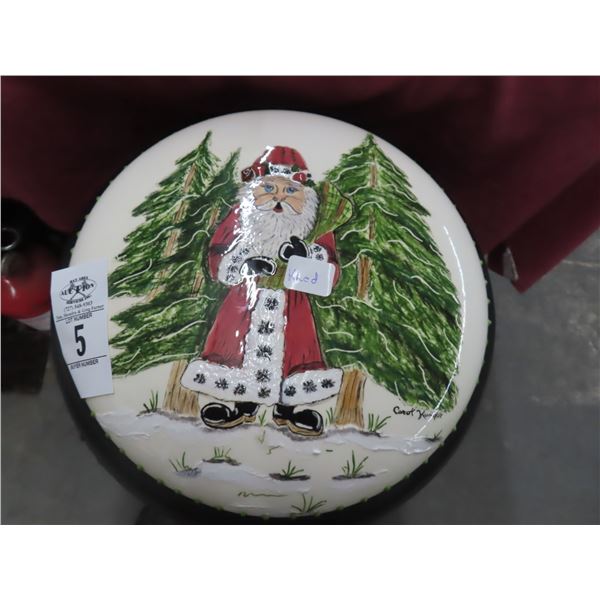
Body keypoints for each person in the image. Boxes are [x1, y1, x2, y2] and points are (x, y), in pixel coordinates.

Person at [181, 146, 341, 436]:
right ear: (253, 190)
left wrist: (306, 256)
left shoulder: (315, 224)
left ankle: (288, 410)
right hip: (244, 301)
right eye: (269, 188)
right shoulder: (240, 217)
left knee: (295, 353)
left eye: (290, 190)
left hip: (293, 305)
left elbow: (330, 272)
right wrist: (245, 264)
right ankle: (242, 405)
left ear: (304, 195)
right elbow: (218, 256)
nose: (279, 198)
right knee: (237, 352)